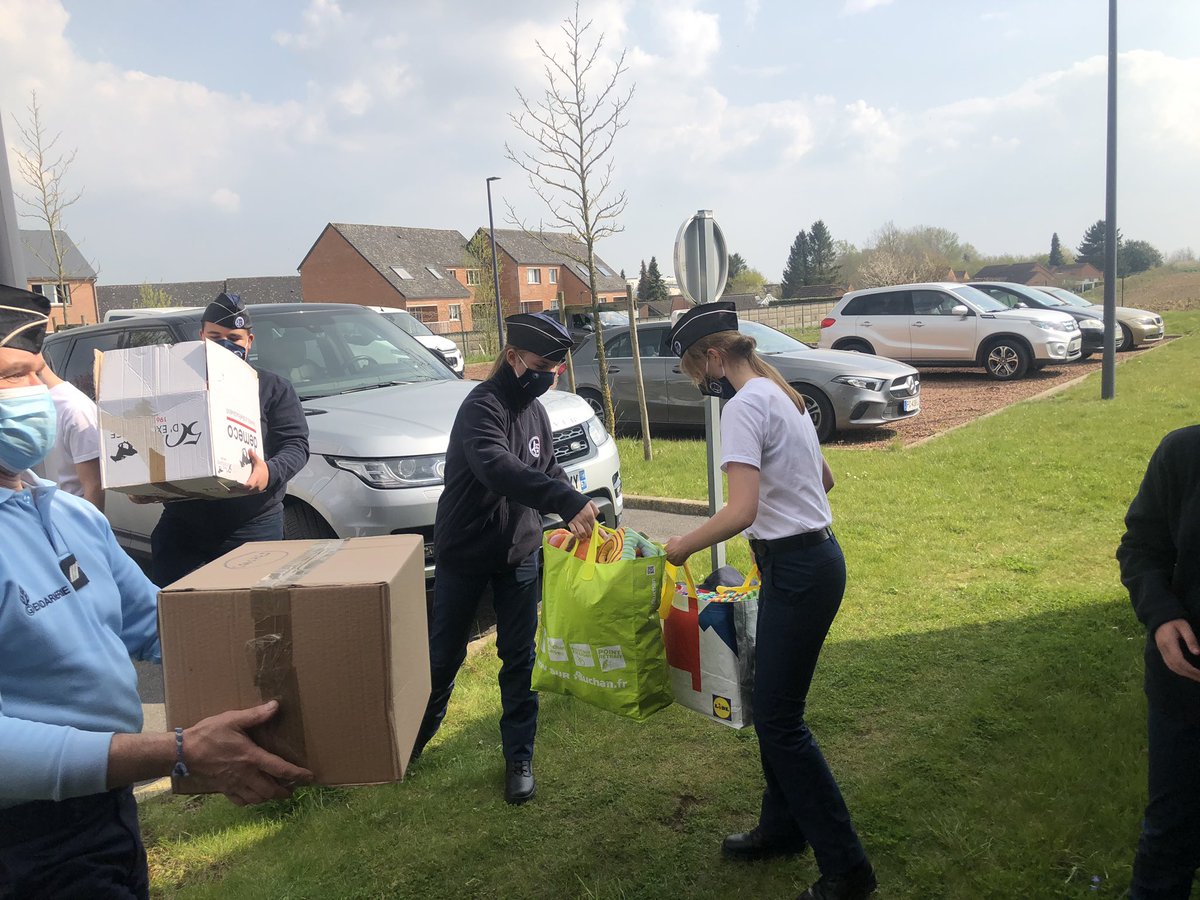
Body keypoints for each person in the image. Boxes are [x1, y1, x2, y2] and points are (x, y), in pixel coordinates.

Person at [0, 283, 313, 898]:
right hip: (22, 837)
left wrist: (304, 661)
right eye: (11, 378)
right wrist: (177, 750)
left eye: (36, 374)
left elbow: (156, 624)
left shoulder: (68, 514)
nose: (36, 396)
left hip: (105, 812)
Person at [662, 302, 876, 900]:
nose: (697, 381)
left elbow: (742, 509)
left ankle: (848, 869)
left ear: (711, 356)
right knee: (774, 707)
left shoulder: (745, 405)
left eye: (691, 368)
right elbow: (825, 481)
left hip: (800, 570)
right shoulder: (781, 394)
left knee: (781, 721)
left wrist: (681, 545)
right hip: (810, 561)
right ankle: (782, 829)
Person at [413, 312, 599, 804]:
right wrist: (561, 500)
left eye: (556, 369)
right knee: (444, 656)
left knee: (520, 658)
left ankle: (519, 757)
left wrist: (571, 497)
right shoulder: (482, 407)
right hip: (465, 554)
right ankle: (411, 743)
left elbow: (545, 466)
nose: (549, 376)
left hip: (519, 553)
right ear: (514, 358)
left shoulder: (536, 411)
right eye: (542, 365)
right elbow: (498, 468)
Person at [148, 292, 310, 586]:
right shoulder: (175, 386)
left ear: (249, 341)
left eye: (234, 338)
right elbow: (154, 436)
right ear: (201, 336)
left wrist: (269, 471)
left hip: (252, 525)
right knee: (181, 615)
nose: (224, 344)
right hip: (183, 528)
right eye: (215, 336)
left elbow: (296, 445)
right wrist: (148, 481)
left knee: (256, 619)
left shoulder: (273, 389)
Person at [1118, 424, 1200, 899]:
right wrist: (1162, 615)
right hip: (1187, 685)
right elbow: (1142, 546)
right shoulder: (1184, 451)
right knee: (1170, 830)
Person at [36, 356, 104, 510]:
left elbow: (93, 484)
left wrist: (88, 531)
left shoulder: (75, 410)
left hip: (70, 517)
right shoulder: (33, 404)